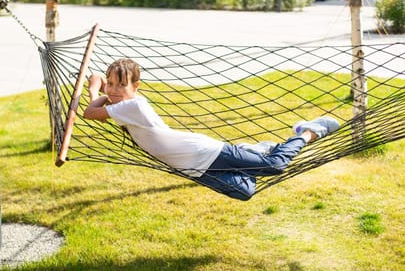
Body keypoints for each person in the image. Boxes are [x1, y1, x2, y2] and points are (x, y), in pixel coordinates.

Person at [83, 58, 340, 201]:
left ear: (136, 86)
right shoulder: (122, 107)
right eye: (112, 84)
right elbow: (100, 114)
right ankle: (250, 151)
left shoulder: (134, 107)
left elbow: (88, 113)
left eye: (121, 85)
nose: (114, 90)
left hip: (205, 152)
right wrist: (106, 90)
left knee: (274, 166)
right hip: (194, 168)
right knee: (245, 192)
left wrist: (96, 88)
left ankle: (307, 132)